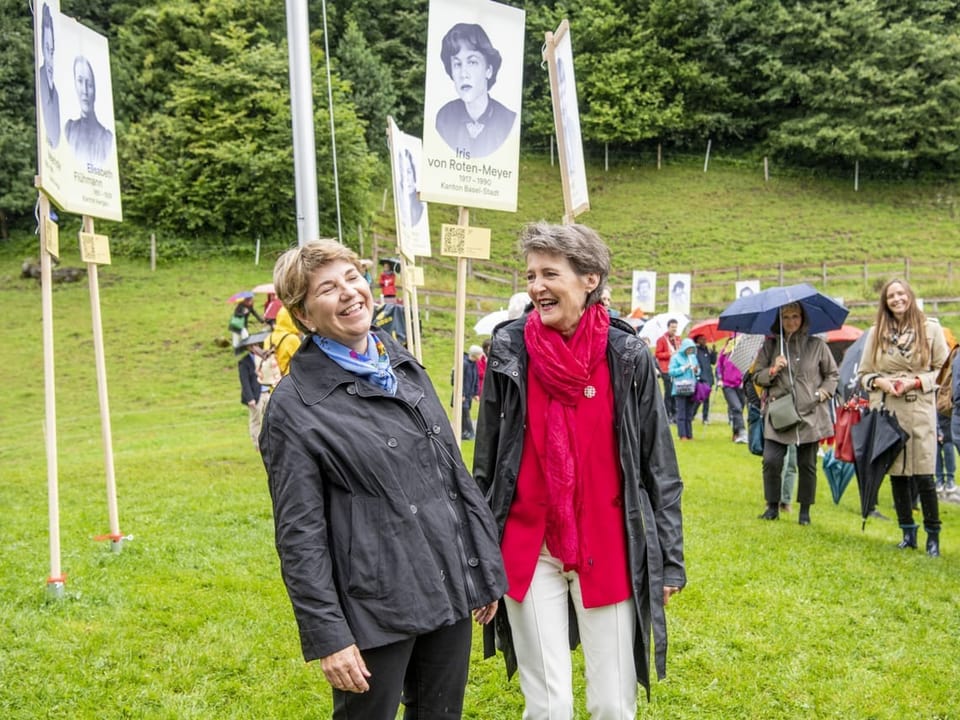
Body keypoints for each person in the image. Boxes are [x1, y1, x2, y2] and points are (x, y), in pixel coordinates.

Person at [260, 240, 505, 719]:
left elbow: (451, 474)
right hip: (375, 603)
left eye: (352, 278)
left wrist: (481, 566)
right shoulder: (295, 405)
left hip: (444, 579)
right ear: (305, 315)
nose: (350, 293)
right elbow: (299, 535)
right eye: (327, 288)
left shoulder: (401, 363)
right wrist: (329, 635)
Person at [474, 222, 686, 717]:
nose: (536, 287)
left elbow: (660, 466)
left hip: (608, 543)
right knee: (547, 705)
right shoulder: (510, 350)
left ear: (589, 279)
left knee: (613, 704)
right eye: (530, 275)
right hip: (528, 548)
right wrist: (479, 556)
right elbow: (486, 465)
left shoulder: (627, 354)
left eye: (550, 274)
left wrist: (670, 559)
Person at [858, 279, 949, 556]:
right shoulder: (876, 333)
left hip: (919, 408)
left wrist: (917, 382)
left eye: (900, 294)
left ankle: (933, 535)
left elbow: (943, 371)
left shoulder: (930, 328)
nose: (896, 299)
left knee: (924, 474)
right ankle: (907, 531)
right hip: (890, 411)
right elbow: (864, 375)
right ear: (885, 303)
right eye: (890, 296)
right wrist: (880, 383)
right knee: (897, 473)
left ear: (910, 295)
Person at [754, 302, 838, 525]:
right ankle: (772, 507)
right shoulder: (770, 347)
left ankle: (805, 513)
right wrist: (773, 369)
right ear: (779, 320)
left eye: (795, 316)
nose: (791, 321)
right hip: (780, 413)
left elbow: (832, 375)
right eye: (786, 317)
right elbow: (757, 377)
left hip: (810, 413)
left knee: (807, 465)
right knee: (771, 461)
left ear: (803, 318)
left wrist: (821, 394)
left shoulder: (817, 345)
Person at [435, 23, 516, 159]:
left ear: (488, 70)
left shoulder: (510, 121)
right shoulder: (444, 118)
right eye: (457, 64)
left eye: (472, 62)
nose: (463, 74)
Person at [65, 56, 114, 167]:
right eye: (80, 81)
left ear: (95, 89)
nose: (85, 91)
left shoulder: (106, 139)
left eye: (90, 84)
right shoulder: (69, 129)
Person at [716, 336, 748, 443]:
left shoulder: (743, 354)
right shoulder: (724, 353)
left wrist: (744, 380)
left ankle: (736, 433)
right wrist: (720, 378)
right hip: (727, 385)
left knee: (739, 409)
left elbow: (747, 367)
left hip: (740, 385)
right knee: (736, 407)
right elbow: (719, 366)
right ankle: (742, 432)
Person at [39, 4, 61, 148]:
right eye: (47, 49)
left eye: (52, 50)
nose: (50, 59)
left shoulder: (56, 94)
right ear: (41, 48)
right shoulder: (40, 82)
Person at [669, 338, 700, 440]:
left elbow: (698, 371)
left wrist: (696, 370)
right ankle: (682, 435)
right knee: (681, 412)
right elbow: (671, 372)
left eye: (691, 349)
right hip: (680, 389)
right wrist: (683, 368)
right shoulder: (676, 358)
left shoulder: (693, 357)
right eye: (688, 349)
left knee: (689, 413)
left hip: (691, 388)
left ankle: (689, 434)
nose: (690, 351)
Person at [655, 319, 682, 422]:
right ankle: (668, 413)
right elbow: (658, 354)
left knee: (676, 391)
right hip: (666, 369)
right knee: (669, 391)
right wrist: (670, 354)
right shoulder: (661, 340)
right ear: (668, 327)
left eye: (675, 327)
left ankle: (675, 414)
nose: (674, 329)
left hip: (676, 368)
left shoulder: (678, 339)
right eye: (672, 327)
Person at [265, 306, 302, 379]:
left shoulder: (268, 338)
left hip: (275, 382)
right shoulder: (292, 339)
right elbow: (302, 363)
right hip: (291, 382)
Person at [691, 333, 717, 424]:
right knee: (699, 398)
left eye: (705, 339)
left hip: (708, 376)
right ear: (697, 340)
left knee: (707, 399)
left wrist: (714, 352)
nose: (704, 341)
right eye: (702, 339)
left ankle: (705, 418)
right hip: (701, 378)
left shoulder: (707, 350)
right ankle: (692, 414)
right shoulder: (696, 351)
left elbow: (713, 362)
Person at [398, 148, 425, 228]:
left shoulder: (420, 207)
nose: (406, 178)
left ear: (414, 173)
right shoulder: (399, 201)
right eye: (403, 173)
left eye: (408, 172)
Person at [459, 346, 482, 440]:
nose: (481, 356)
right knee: (465, 414)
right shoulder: (464, 364)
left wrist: (476, 393)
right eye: (480, 354)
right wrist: (461, 394)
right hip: (462, 395)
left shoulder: (474, 364)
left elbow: (475, 379)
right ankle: (471, 433)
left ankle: (464, 432)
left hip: (469, 394)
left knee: (464, 414)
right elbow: (459, 380)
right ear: (475, 355)